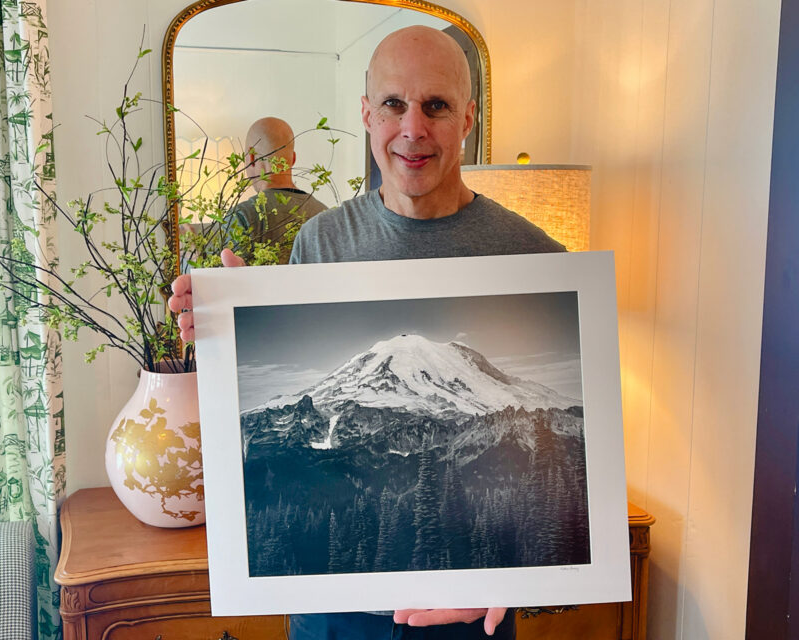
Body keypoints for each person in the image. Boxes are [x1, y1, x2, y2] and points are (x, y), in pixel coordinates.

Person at [169, 25, 564, 640]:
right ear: (365, 114)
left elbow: (561, 501)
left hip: (470, 623)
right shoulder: (321, 241)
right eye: (393, 104)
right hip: (333, 617)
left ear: (469, 119)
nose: (413, 128)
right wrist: (220, 328)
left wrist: (519, 588)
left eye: (436, 105)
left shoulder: (529, 254)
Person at [228, 116, 328, 259]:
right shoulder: (325, 215)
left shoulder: (242, 217)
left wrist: (195, 256)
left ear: (252, 157)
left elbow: (225, 278)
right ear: (293, 159)